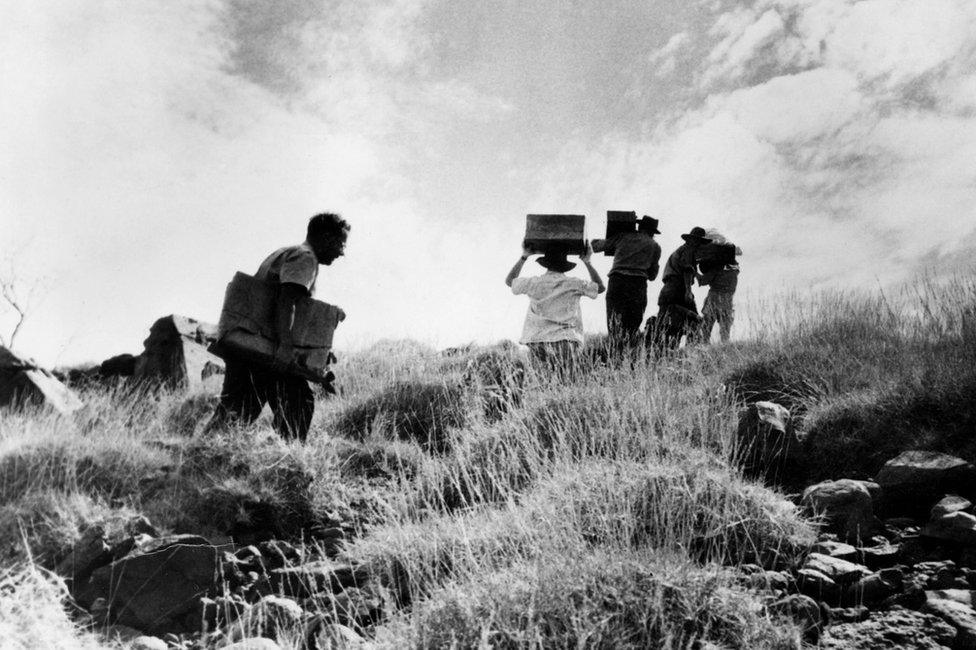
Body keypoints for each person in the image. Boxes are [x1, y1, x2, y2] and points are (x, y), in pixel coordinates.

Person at [207, 213, 349, 442]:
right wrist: (285, 346)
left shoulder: (286, 252)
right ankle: (287, 464)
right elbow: (287, 300)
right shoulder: (306, 258)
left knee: (236, 411)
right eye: (339, 243)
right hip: (269, 351)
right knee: (298, 404)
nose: (341, 252)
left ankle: (199, 459)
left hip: (251, 346)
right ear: (324, 237)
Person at [505, 243, 605, 370]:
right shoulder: (574, 284)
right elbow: (600, 287)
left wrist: (524, 257)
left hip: (538, 341)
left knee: (542, 384)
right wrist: (587, 261)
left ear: (545, 264)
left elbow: (509, 281)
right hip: (566, 341)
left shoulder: (534, 283)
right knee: (565, 382)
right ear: (565, 266)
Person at [592, 216, 662, 351]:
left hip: (617, 282)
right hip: (638, 285)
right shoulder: (655, 246)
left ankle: (613, 354)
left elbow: (596, 247)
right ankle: (627, 355)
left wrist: (595, 240)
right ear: (652, 232)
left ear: (639, 227)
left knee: (614, 323)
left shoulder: (623, 236)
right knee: (632, 326)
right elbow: (653, 276)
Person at [652, 226, 710, 351]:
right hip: (678, 288)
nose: (699, 244)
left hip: (669, 289)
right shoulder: (689, 251)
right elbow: (687, 270)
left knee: (672, 324)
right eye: (698, 241)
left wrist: (696, 276)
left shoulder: (681, 250)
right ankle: (691, 353)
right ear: (693, 240)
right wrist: (688, 291)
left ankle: (668, 353)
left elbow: (688, 269)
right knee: (693, 321)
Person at [697, 243, 739, 343]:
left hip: (714, 299)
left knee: (706, 329)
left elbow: (702, 281)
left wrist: (694, 271)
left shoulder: (717, 268)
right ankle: (724, 349)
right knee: (725, 332)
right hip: (727, 301)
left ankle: (705, 347)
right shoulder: (735, 269)